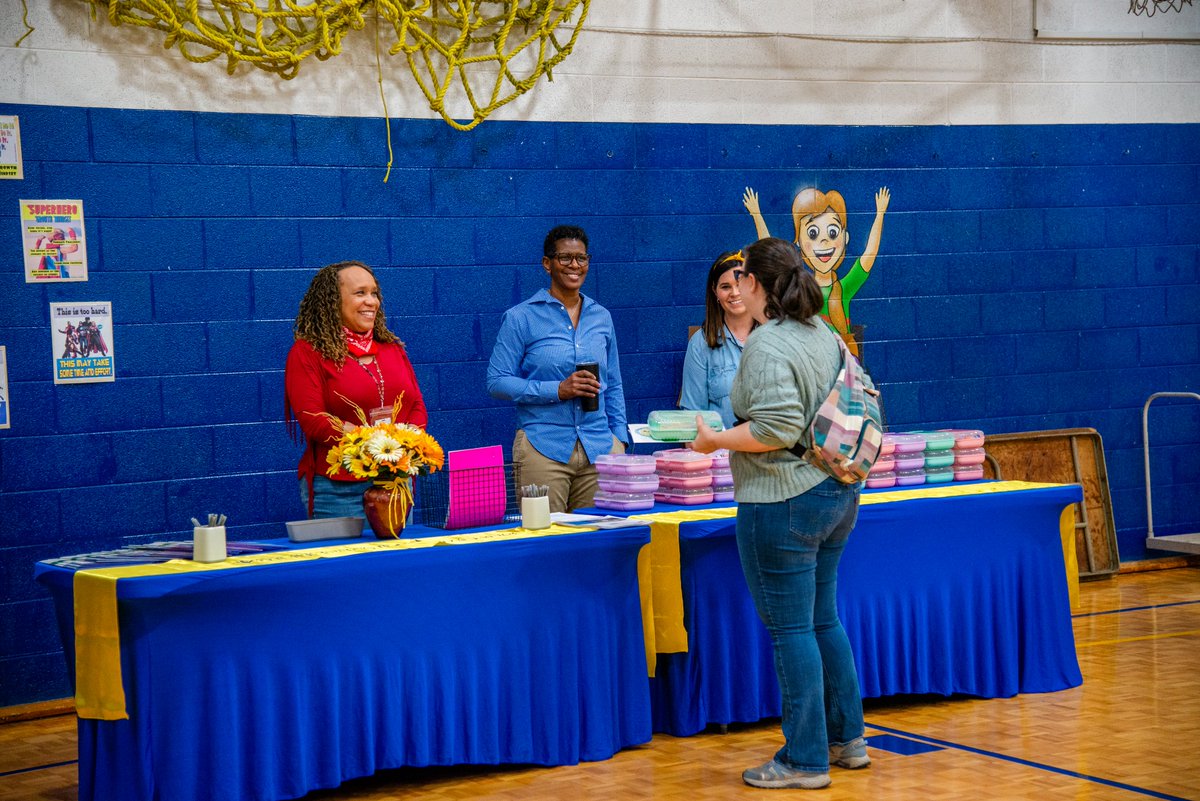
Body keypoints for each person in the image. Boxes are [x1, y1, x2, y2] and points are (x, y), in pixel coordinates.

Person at [691, 237, 869, 790]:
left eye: (742, 275)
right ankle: (848, 741)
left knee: (792, 630)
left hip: (783, 501)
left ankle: (805, 760)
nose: (736, 284)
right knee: (823, 619)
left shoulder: (767, 345)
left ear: (755, 285)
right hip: (837, 493)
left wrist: (713, 440)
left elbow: (773, 429)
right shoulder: (823, 332)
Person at [487, 225, 628, 513]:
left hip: (599, 448)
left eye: (582, 258)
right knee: (544, 541)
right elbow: (497, 381)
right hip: (543, 448)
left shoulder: (602, 316)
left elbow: (613, 383)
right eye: (565, 258)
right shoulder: (520, 318)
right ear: (547, 264)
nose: (574, 265)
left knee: (598, 541)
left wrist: (620, 439)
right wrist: (558, 390)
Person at [285, 261, 428, 518]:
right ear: (332, 301)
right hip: (338, 490)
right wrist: (372, 443)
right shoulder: (308, 353)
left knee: (398, 558)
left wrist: (407, 441)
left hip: (394, 482)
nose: (371, 301)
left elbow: (416, 405)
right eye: (360, 293)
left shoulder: (392, 348)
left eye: (374, 293)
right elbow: (312, 417)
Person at [742, 186, 890, 358]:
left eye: (833, 232)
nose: (824, 241)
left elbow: (869, 255)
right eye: (813, 233)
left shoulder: (844, 288)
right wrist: (756, 215)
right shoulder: (798, 287)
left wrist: (880, 214)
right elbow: (771, 254)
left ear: (845, 238)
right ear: (798, 240)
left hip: (837, 366)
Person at [679, 250, 755, 429]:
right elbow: (693, 418)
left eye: (740, 284)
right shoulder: (701, 343)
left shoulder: (774, 336)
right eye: (725, 287)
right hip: (720, 453)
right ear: (715, 291)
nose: (735, 293)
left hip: (772, 453)